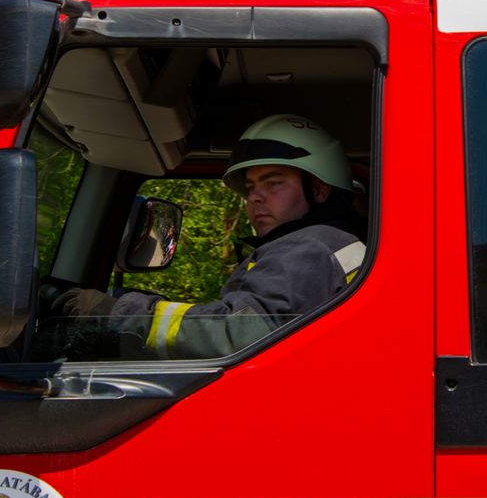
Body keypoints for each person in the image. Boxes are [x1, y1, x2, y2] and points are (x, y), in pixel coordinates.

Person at [53, 114, 366, 360]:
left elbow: (235, 336)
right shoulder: (331, 243)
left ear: (320, 189)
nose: (255, 197)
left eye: (273, 182)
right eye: (251, 187)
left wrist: (114, 315)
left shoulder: (307, 248)